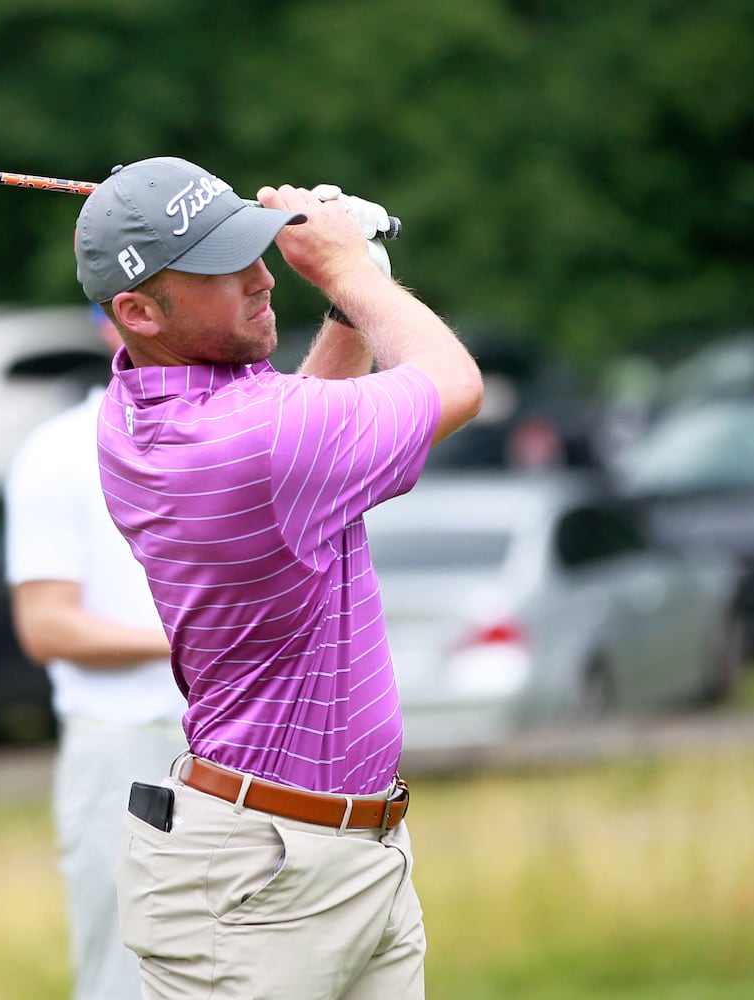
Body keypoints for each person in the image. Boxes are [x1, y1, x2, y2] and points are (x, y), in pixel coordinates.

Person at [72, 157, 483, 999]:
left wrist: (348, 302)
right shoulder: (248, 439)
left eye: (255, 251)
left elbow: (308, 429)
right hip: (257, 885)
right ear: (138, 311)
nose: (262, 279)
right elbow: (454, 384)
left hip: (344, 857)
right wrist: (347, 268)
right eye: (223, 271)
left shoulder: (152, 408)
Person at [4, 305, 190, 1000]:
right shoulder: (59, 448)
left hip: (248, 749)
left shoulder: (252, 424)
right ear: (114, 320)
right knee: (127, 979)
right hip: (129, 752)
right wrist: (197, 642)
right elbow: (47, 626)